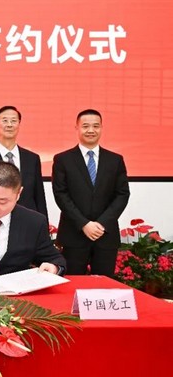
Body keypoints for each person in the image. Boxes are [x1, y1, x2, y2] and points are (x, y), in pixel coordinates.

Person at [52, 109, 130, 276]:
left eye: (95, 126)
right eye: (85, 126)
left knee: (104, 284)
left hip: (105, 235)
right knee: (72, 283)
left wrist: (101, 224)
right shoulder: (62, 159)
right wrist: (84, 224)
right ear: (77, 128)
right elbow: (61, 194)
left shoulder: (115, 160)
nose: (91, 130)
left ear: (101, 128)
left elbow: (122, 194)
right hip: (74, 234)